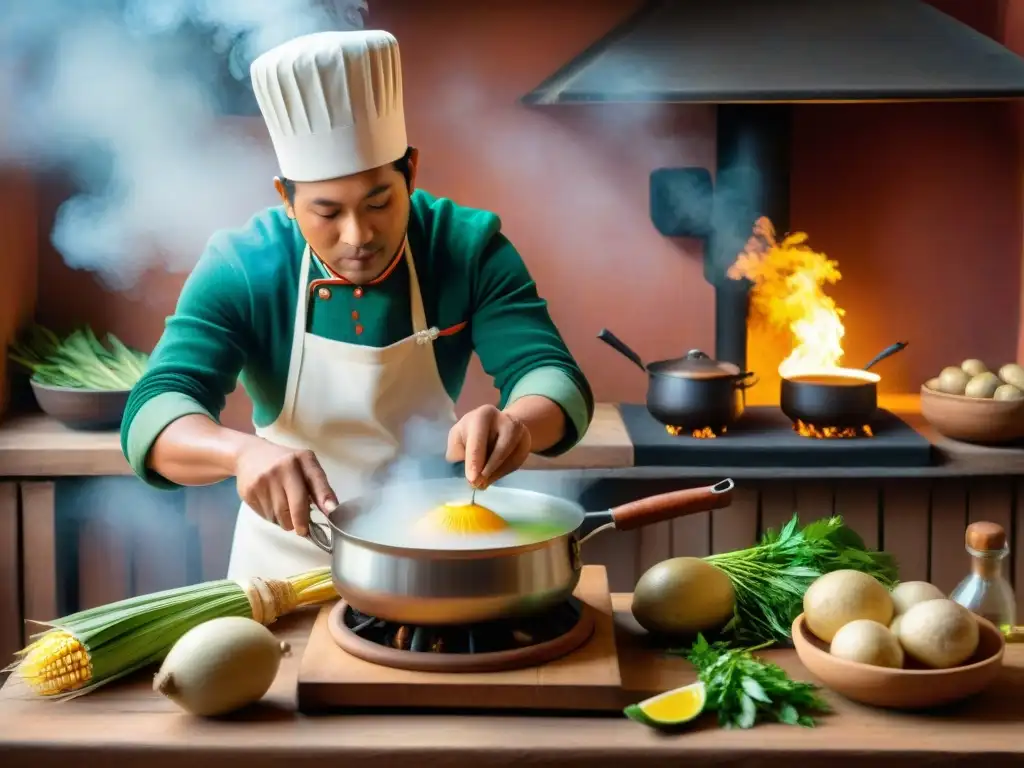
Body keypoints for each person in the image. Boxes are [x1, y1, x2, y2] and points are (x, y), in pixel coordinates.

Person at [119, 29, 594, 580]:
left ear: (410, 172)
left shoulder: (464, 245)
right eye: (326, 211)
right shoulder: (244, 264)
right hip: (280, 571)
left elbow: (553, 378)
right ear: (286, 199)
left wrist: (518, 423)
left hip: (425, 559)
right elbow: (152, 414)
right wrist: (240, 454)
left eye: (379, 202)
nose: (358, 235)